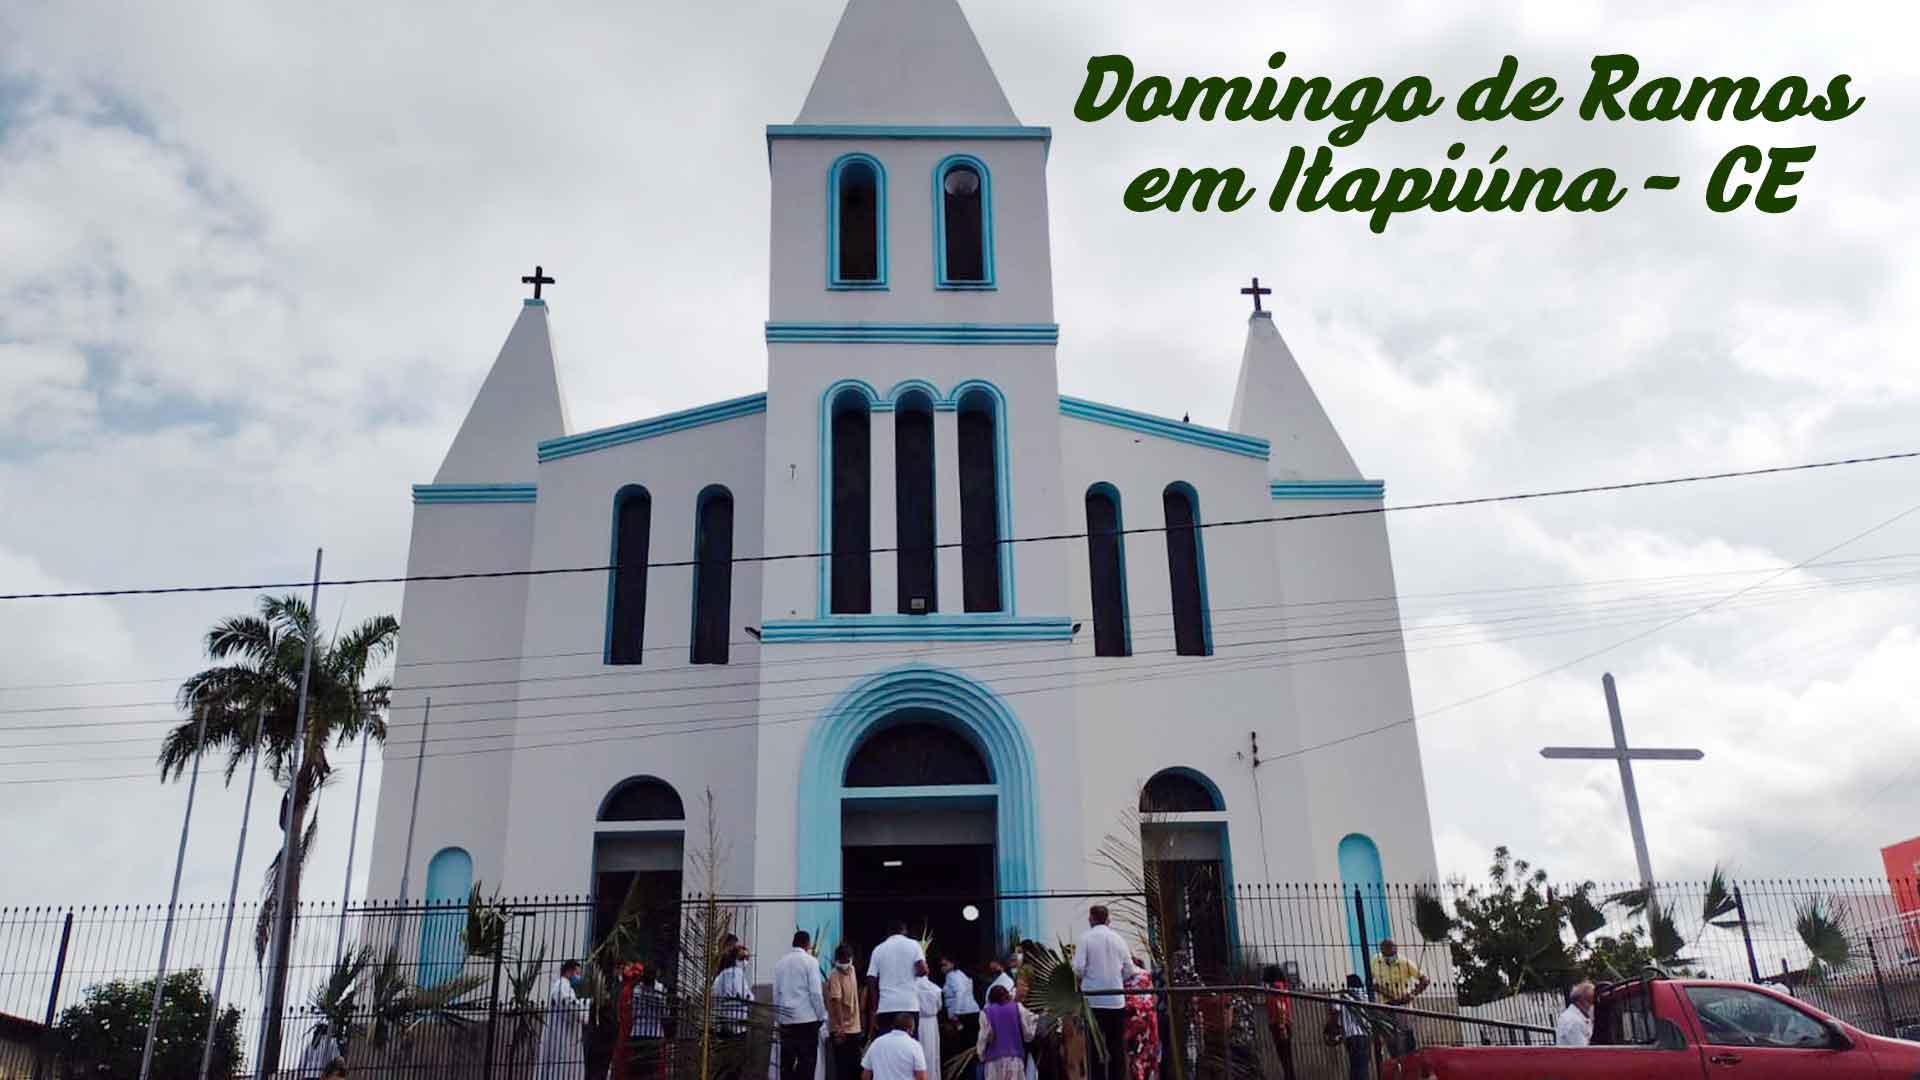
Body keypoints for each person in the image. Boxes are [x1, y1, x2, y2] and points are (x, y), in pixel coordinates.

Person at [1071, 906, 1139, 1080]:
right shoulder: (1119, 939)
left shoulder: (1085, 938)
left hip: (1093, 1001)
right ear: (1107, 918)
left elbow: (1078, 968)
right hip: (1116, 1000)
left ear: (1092, 919)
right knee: (1116, 1046)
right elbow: (1130, 969)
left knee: (1095, 1048)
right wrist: (1116, 978)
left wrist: (1087, 977)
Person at [775, 931, 830, 1080]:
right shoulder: (811, 962)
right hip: (806, 1021)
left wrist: (778, 1018)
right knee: (806, 1064)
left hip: (786, 1022)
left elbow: (776, 993)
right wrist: (822, 1016)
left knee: (786, 1065)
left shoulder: (781, 963)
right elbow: (815, 994)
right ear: (807, 944)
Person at [867, 921, 928, 1035]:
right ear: (904, 931)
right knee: (909, 1044)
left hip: (886, 1006)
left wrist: (874, 1006)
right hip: (909, 1005)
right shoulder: (914, 945)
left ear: (889, 933)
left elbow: (871, 979)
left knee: (886, 1043)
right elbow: (923, 970)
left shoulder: (878, 949)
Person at [1369, 939, 1428, 1055]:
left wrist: (1413, 994)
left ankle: (1410, 1059)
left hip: (1403, 1004)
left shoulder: (1404, 962)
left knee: (1407, 1035)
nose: (1389, 958)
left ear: (1396, 951)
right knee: (1390, 1037)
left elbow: (1424, 980)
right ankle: (1395, 1060)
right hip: (1385, 1004)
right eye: (1386, 955)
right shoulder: (1375, 961)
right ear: (1381, 952)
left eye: (1392, 954)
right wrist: (1383, 991)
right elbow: (1370, 982)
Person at [536, 960, 589, 1080]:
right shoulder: (562, 986)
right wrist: (587, 1005)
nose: (579, 977)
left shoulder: (564, 986)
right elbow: (569, 1005)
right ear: (569, 971)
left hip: (563, 1033)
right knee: (560, 1066)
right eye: (577, 973)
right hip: (561, 1034)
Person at [976, 984, 1037, 1080]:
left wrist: (981, 1055)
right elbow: (1029, 1030)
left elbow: (984, 1036)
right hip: (1015, 1058)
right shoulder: (1018, 1008)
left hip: (994, 1060)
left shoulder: (986, 1013)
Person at [827, 944, 866, 1080]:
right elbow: (836, 1002)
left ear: (851, 959)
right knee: (842, 1067)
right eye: (841, 962)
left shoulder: (853, 970)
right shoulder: (835, 975)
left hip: (854, 1028)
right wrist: (841, 1027)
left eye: (846, 961)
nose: (844, 965)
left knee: (855, 1065)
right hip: (840, 1029)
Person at [1122, 957, 1160, 1080]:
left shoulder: (1120, 978)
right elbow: (1154, 999)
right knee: (1147, 1057)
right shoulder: (1145, 974)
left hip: (1133, 1021)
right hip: (1148, 1020)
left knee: (1133, 1058)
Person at [940, 957, 980, 1072]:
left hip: (964, 1014)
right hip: (968, 1013)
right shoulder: (958, 974)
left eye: (945, 964)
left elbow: (960, 993)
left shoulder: (953, 975)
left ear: (952, 964)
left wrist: (955, 1014)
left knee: (964, 1048)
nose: (942, 967)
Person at [862, 1012, 929, 1080]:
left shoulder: (877, 1042)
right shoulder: (914, 1046)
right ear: (910, 1029)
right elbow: (922, 1077)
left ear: (893, 1026)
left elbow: (865, 1075)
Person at [1261, 963, 1297, 1080]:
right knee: (1287, 1057)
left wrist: (1281, 1027)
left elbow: (1280, 1006)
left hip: (1279, 1025)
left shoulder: (1275, 988)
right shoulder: (1282, 987)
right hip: (1283, 1023)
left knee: (1284, 1057)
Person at [1334, 975, 1373, 1080]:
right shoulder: (1366, 997)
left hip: (1351, 1037)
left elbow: (1336, 1011)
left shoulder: (1343, 996)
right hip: (1364, 1036)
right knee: (1363, 1068)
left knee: (1355, 1068)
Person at [914, 968, 943, 1070]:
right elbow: (939, 1006)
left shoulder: (912, 987)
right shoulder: (935, 989)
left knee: (920, 1051)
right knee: (932, 1051)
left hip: (919, 1021)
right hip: (932, 1022)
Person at [1556, 981, 1596, 1047]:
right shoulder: (1573, 1021)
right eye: (1590, 1001)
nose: (1592, 1006)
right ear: (1579, 1001)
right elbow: (1584, 1051)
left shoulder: (1577, 1017)